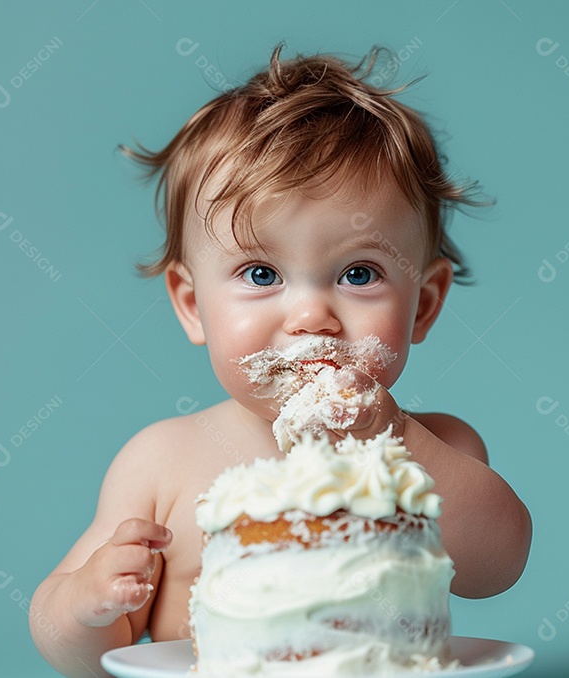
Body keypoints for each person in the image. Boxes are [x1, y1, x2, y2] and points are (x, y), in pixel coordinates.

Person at [30, 45, 532, 677]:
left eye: (358, 273)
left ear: (423, 304)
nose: (311, 316)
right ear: (192, 305)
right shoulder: (160, 463)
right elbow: (72, 646)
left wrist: (393, 436)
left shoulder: (436, 447)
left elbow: (498, 566)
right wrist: (86, 606)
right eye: (261, 272)